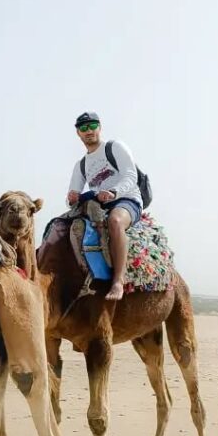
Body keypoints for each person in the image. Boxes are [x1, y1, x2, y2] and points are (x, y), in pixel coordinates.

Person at [67, 111, 142, 301]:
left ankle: (118, 281)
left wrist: (113, 192)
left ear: (99, 127)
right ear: (78, 133)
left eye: (93, 126)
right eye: (84, 128)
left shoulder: (114, 147)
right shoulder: (81, 165)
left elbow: (131, 175)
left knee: (115, 221)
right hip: (99, 206)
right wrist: (72, 198)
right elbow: (72, 196)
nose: (88, 131)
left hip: (125, 200)